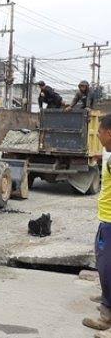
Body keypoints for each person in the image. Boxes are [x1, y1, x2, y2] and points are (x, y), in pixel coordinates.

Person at [84, 114, 111, 335]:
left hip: (110, 221)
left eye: (100, 132)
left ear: (108, 133)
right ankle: (106, 297)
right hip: (106, 219)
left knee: (106, 266)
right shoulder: (109, 154)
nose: (99, 135)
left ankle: (107, 313)